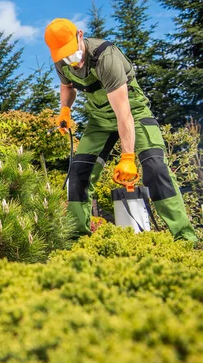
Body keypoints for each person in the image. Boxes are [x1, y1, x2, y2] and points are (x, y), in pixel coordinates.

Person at [44, 18, 197, 243]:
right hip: (99, 119)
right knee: (78, 174)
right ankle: (77, 241)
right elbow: (67, 85)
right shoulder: (62, 60)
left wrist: (127, 157)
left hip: (132, 112)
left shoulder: (107, 57)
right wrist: (65, 110)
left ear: (80, 35)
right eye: (64, 55)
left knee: (155, 168)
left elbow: (123, 112)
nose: (71, 60)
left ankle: (185, 238)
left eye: (72, 51)